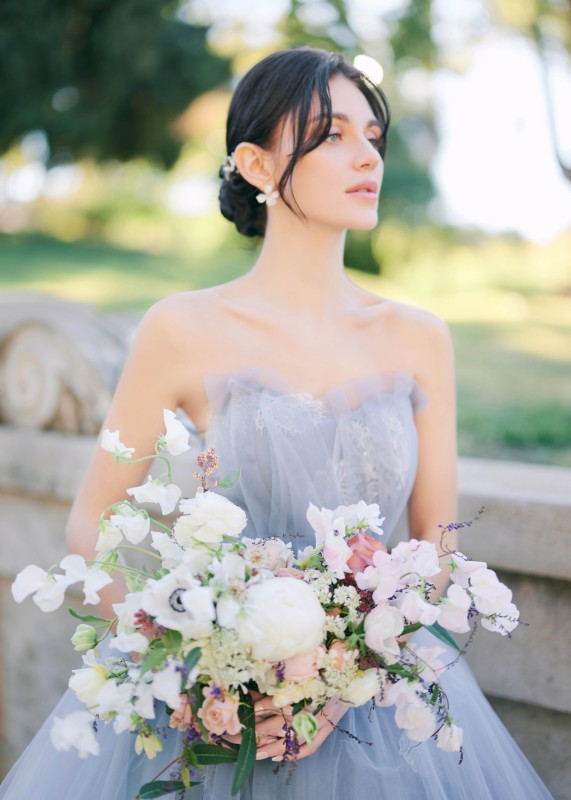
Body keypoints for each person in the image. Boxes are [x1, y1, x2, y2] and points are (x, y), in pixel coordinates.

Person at [0, 47, 553, 799]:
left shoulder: (419, 339)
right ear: (257, 166)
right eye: (331, 135)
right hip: (210, 704)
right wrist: (195, 662)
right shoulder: (181, 330)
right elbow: (91, 522)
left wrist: (341, 676)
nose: (366, 156)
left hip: (379, 712)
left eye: (372, 136)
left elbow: (432, 550)